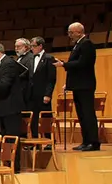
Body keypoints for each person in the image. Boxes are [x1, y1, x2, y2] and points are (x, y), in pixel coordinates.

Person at [53, 22, 99, 151]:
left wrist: (64, 64)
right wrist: (69, 83)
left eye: (71, 32)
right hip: (79, 85)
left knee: (88, 113)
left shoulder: (86, 44)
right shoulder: (78, 45)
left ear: (79, 32)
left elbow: (83, 64)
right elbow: (77, 67)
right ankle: (86, 141)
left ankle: (93, 142)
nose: (69, 35)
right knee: (81, 114)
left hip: (85, 85)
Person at [27, 37, 57, 137]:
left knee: (45, 117)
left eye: (34, 46)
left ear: (40, 46)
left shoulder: (49, 58)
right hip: (31, 93)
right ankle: (35, 140)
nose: (32, 48)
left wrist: (48, 94)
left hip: (43, 94)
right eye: (31, 46)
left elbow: (51, 79)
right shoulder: (31, 58)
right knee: (34, 119)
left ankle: (49, 140)